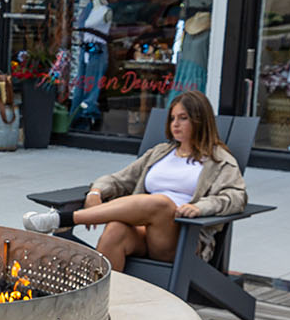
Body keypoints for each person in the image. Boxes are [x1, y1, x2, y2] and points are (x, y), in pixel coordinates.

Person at [19, 90, 248, 271]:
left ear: (199, 121)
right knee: (116, 229)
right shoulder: (160, 153)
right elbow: (119, 180)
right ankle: (101, 308)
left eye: (183, 118)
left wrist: (199, 208)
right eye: (172, 119)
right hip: (143, 233)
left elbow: (236, 197)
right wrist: (95, 193)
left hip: (181, 240)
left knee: (161, 203)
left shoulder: (220, 161)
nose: (175, 124)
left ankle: (63, 218)